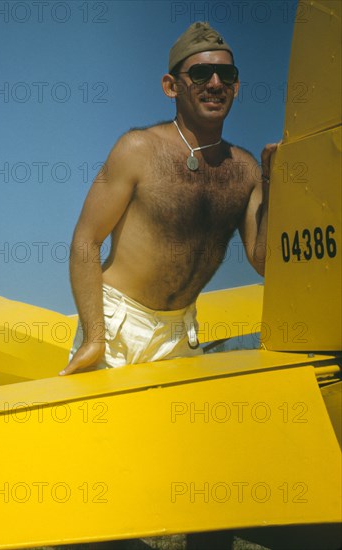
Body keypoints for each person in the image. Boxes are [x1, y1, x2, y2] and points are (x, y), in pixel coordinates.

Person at [59, 21, 277, 377]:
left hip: (180, 334)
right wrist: (94, 338)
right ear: (171, 86)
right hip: (116, 330)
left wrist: (274, 184)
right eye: (202, 73)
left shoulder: (247, 171)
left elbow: (263, 263)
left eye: (226, 74)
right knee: (104, 433)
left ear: (236, 87)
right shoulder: (137, 150)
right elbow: (86, 240)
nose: (215, 84)